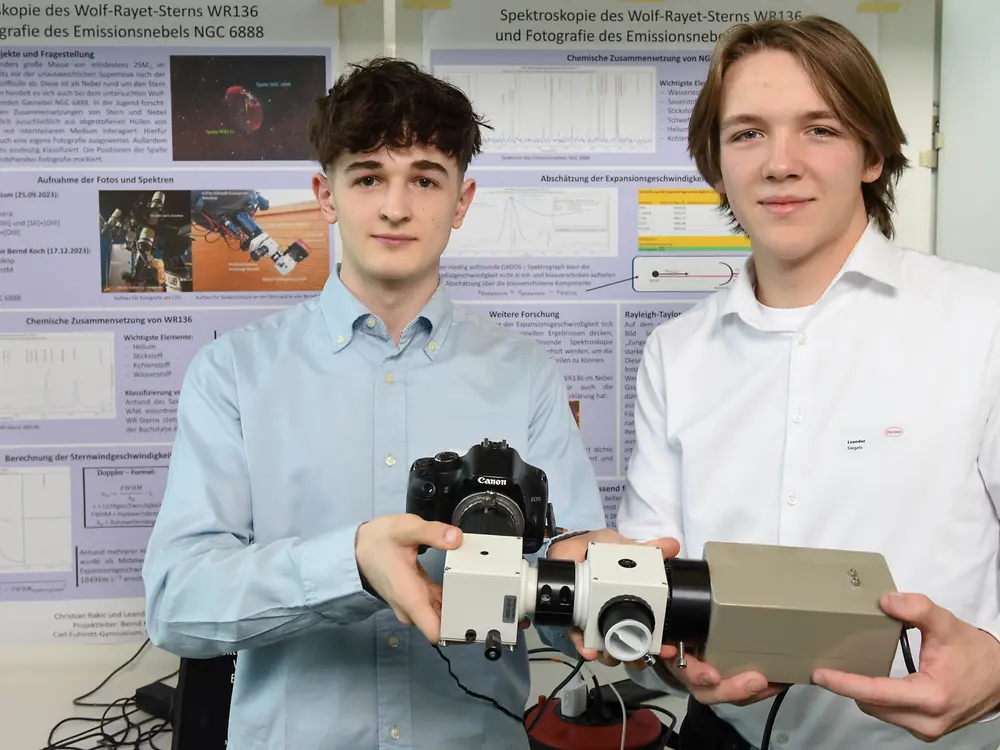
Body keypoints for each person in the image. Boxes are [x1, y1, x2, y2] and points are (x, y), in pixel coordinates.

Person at [141, 57, 674, 750]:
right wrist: (353, 563)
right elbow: (177, 606)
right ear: (324, 195)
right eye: (368, 177)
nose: (395, 207)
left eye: (425, 178)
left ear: (463, 200)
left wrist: (593, 581)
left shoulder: (526, 376)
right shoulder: (232, 375)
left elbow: (557, 600)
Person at [612, 14, 1000, 750]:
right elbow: (649, 571)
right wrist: (669, 661)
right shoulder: (676, 352)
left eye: (818, 129)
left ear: (872, 155)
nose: (779, 163)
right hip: (719, 738)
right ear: (716, 162)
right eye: (747, 133)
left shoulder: (983, 322)